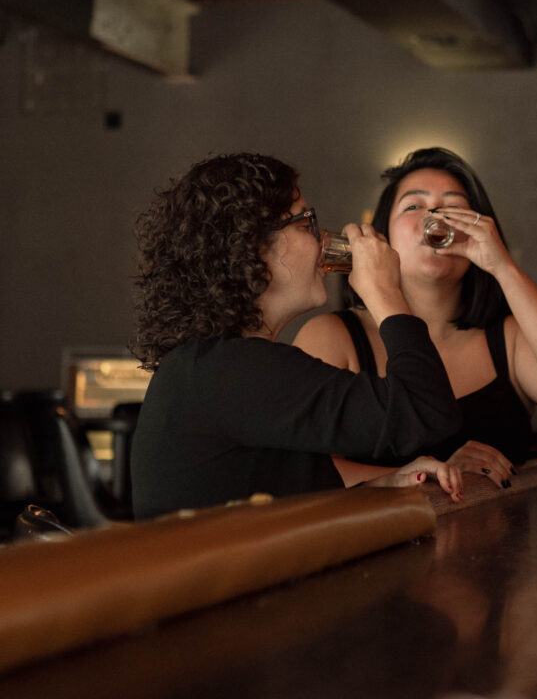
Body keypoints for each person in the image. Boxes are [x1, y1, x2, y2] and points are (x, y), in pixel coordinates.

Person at [130, 152, 464, 520]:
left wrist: (384, 484)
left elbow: (277, 495)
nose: (323, 238)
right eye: (307, 223)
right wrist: (385, 292)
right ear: (254, 248)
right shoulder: (230, 370)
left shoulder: (213, 366)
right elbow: (426, 411)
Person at [294, 147, 537, 489]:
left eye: (454, 208)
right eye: (414, 206)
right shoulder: (334, 336)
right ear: (383, 237)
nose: (436, 217)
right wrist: (426, 477)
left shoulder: (507, 337)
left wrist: (501, 266)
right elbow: (298, 469)